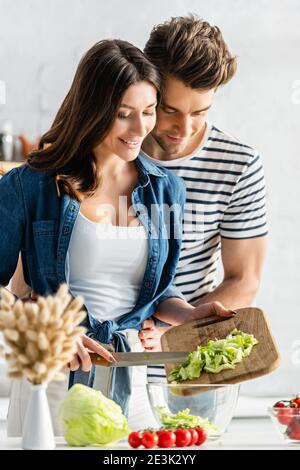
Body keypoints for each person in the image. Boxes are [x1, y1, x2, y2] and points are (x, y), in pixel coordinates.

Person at [0, 38, 232, 434]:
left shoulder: (166, 190)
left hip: (134, 381)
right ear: (92, 110)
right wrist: (48, 332)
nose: (141, 128)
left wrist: (190, 315)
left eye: (148, 111)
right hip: (56, 378)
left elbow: (158, 290)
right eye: (125, 114)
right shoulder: (30, 186)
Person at [138, 16, 268, 384]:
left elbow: (245, 279)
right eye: (170, 110)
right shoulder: (108, 153)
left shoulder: (238, 164)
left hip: (186, 367)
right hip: (99, 364)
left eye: (200, 112)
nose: (184, 129)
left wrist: (175, 329)